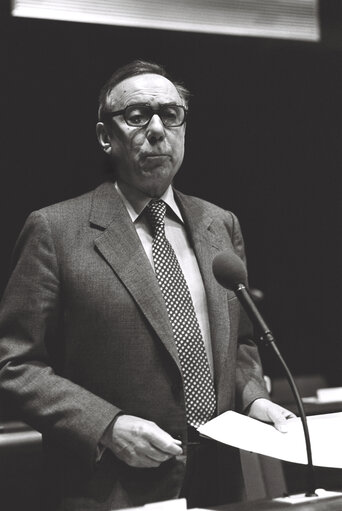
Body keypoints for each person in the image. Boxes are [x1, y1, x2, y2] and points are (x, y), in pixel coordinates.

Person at [0, 60, 294, 510]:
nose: (157, 129)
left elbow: (241, 345)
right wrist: (106, 426)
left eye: (171, 115)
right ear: (105, 136)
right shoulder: (55, 229)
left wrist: (253, 397)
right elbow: (16, 365)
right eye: (137, 116)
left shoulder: (220, 224)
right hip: (110, 486)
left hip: (220, 477)